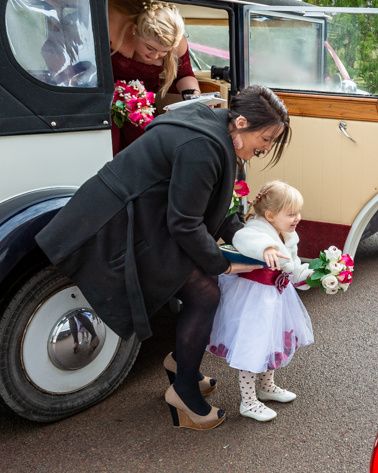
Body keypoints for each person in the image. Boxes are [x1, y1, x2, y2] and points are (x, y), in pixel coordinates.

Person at [35, 85, 291, 431]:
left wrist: (257, 245)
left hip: (145, 218)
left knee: (204, 287)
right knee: (206, 292)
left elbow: (219, 213)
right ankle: (183, 390)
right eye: (267, 138)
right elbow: (186, 223)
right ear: (242, 122)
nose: (266, 148)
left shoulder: (219, 130)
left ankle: (181, 366)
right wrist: (225, 262)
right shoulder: (204, 147)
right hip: (113, 221)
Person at [208, 180, 314, 422]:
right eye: (291, 213)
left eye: (298, 212)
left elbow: (292, 266)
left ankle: (266, 386)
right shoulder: (257, 230)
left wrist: (309, 275)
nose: (297, 218)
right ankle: (248, 401)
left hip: (277, 297)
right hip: (255, 297)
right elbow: (245, 239)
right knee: (253, 345)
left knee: (272, 340)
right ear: (270, 215)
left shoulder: (288, 234)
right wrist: (265, 247)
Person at [108, 0, 201, 153]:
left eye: (164, 52)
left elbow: (184, 75)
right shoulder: (114, 31)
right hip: (109, 105)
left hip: (143, 110)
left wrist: (194, 99)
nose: (155, 56)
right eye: (150, 48)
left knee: (148, 150)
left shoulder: (177, 44)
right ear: (136, 30)